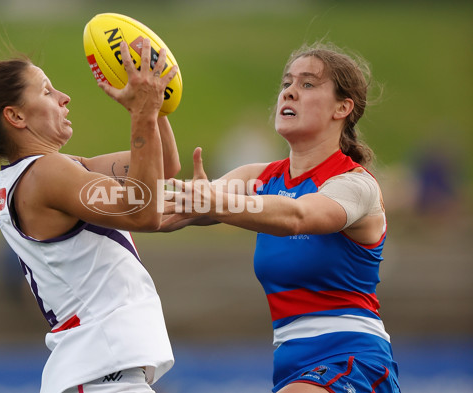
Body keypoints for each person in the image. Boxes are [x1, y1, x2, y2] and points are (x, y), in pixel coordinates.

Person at [0, 39, 179, 393]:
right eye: (47, 91)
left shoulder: (51, 171)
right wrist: (143, 113)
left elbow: (163, 169)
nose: (64, 96)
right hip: (103, 379)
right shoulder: (45, 175)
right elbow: (144, 213)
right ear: (16, 115)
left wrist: (154, 102)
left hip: (102, 377)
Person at [161, 41, 401, 393]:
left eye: (307, 84)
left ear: (343, 107)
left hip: (354, 361)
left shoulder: (356, 185)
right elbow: (161, 212)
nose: (289, 92)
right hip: (292, 366)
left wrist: (213, 202)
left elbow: (298, 216)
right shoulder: (257, 177)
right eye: (287, 83)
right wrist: (149, 113)